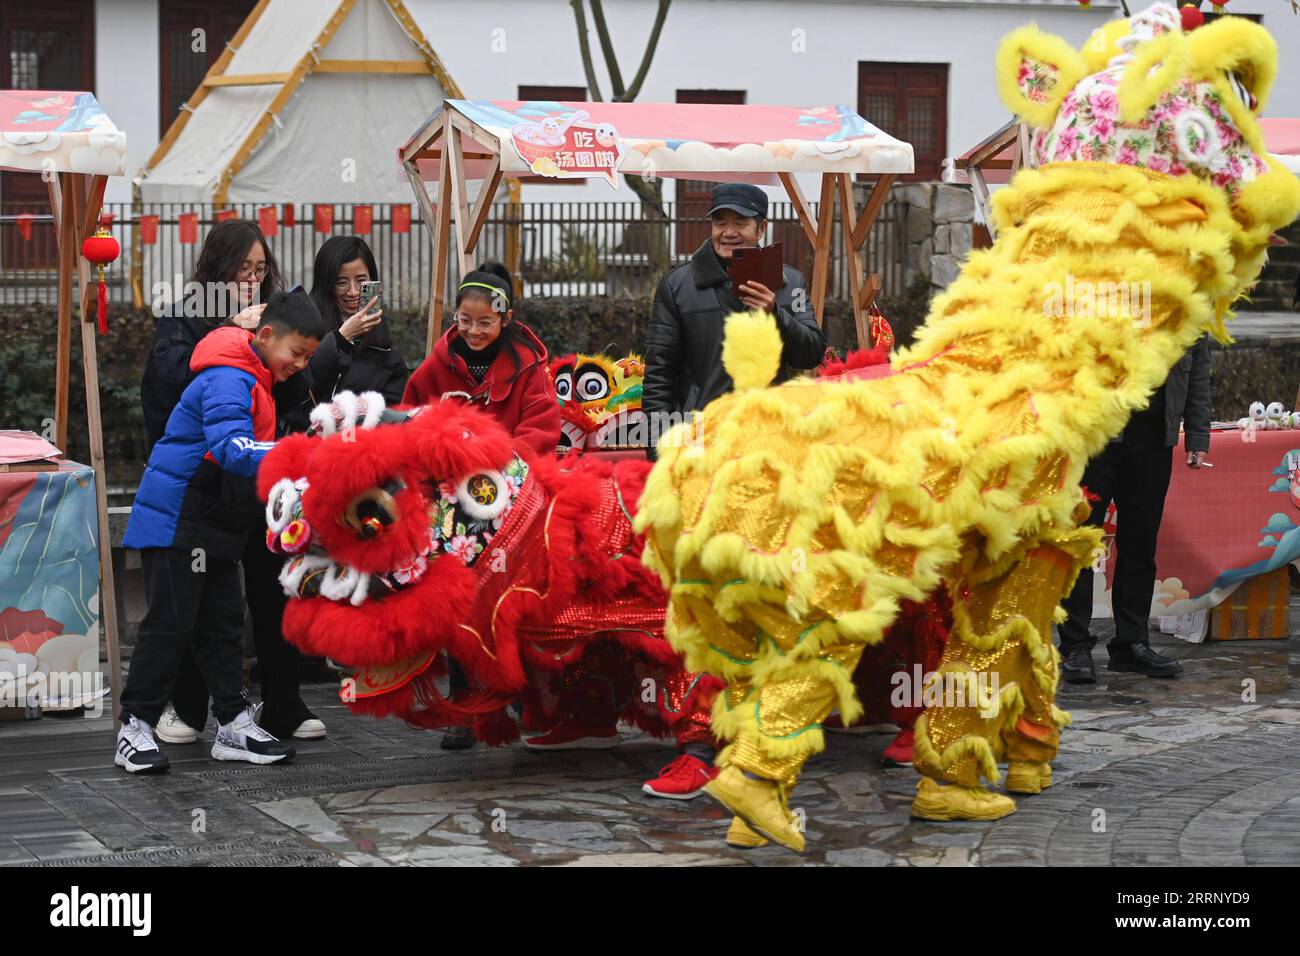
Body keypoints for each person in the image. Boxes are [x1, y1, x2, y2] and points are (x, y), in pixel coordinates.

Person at [115, 289, 325, 772]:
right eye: (296, 354)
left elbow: (251, 452)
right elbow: (234, 449)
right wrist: (297, 456)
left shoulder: (255, 376)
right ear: (266, 335)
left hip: (211, 523)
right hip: (176, 521)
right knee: (169, 626)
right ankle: (135, 726)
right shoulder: (230, 376)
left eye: (307, 357)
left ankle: (232, 723)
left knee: (224, 623)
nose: (299, 365)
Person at [403, 263, 561, 748]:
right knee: (457, 600)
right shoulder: (436, 365)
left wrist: (500, 465)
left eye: (485, 322)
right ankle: (464, 705)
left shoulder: (530, 366)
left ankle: (515, 693)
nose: (473, 331)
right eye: (464, 321)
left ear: (505, 318)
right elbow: (410, 415)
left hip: (511, 503)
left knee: (511, 599)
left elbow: (541, 428)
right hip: (452, 507)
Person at [1059, 336, 1212, 682]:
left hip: (1154, 437)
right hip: (1095, 436)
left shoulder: (1187, 295)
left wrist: (1198, 435)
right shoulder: (1102, 286)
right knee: (1080, 543)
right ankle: (1075, 647)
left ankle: (1131, 645)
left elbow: (1198, 368)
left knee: (1140, 545)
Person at [642, 182, 827, 459]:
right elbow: (659, 372)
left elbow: (811, 354)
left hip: (768, 439)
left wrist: (775, 313)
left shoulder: (791, 283)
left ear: (761, 229)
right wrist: (658, 449)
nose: (728, 233)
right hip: (700, 440)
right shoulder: (677, 285)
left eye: (740, 223)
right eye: (720, 223)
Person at [308, 235, 409, 405]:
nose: (353, 292)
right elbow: (302, 384)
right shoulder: (305, 326)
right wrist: (341, 339)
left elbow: (395, 403)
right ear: (326, 284)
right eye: (341, 282)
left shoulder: (383, 341)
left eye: (361, 281)